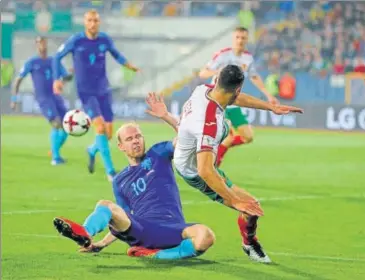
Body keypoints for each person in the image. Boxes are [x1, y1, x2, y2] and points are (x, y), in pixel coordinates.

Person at [153, 65, 303, 263]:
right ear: (238, 88)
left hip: (186, 148)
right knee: (251, 206)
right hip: (195, 173)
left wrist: (271, 106)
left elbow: (234, 98)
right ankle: (249, 244)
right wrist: (235, 200)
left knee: (247, 205)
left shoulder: (203, 90)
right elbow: (204, 171)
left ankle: (248, 241)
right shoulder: (210, 123)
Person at [53, 98, 215, 259]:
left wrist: (166, 116)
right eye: (129, 139)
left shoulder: (158, 153)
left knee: (206, 236)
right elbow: (120, 219)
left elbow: (186, 140)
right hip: (142, 229)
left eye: (138, 136)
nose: (135, 141)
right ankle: (84, 233)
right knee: (105, 205)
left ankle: (157, 255)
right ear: (121, 146)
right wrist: (102, 243)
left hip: (173, 228)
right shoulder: (120, 181)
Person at [52, 9, 140, 182]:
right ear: (85, 22)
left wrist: (129, 65)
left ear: (99, 22)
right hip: (86, 92)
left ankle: (92, 150)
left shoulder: (104, 39)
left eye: (96, 20)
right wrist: (57, 79)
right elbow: (56, 57)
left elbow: (116, 54)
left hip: (103, 90)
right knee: (99, 128)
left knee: (107, 134)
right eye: (90, 20)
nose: (93, 23)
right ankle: (111, 172)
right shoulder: (76, 40)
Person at [199, 26, 279, 167]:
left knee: (247, 137)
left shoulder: (247, 58)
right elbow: (203, 73)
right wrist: (219, 71)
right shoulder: (223, 55)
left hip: (234, 101)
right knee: (220, 136)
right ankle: (210, 166)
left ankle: (219, 154)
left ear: (247, 40)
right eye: (237, 37)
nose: (240, 41)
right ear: (233, 39)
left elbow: (254, 76)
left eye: (243, 38)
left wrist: (268, 95)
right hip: (218, 101)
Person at [11, 36, 72, 165]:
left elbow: (66, 77)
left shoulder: (54, 61)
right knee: (56, 123)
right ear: (36, 45)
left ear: (46, 44)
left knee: (67, 126)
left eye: (43, 42)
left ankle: (54, 149)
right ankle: (55, 158)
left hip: (56, 97)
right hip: (43, 98)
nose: (41, 45)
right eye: (39, 43)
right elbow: (18, 79)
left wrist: (67, 77)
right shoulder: (32, 62)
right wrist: (14, 98)